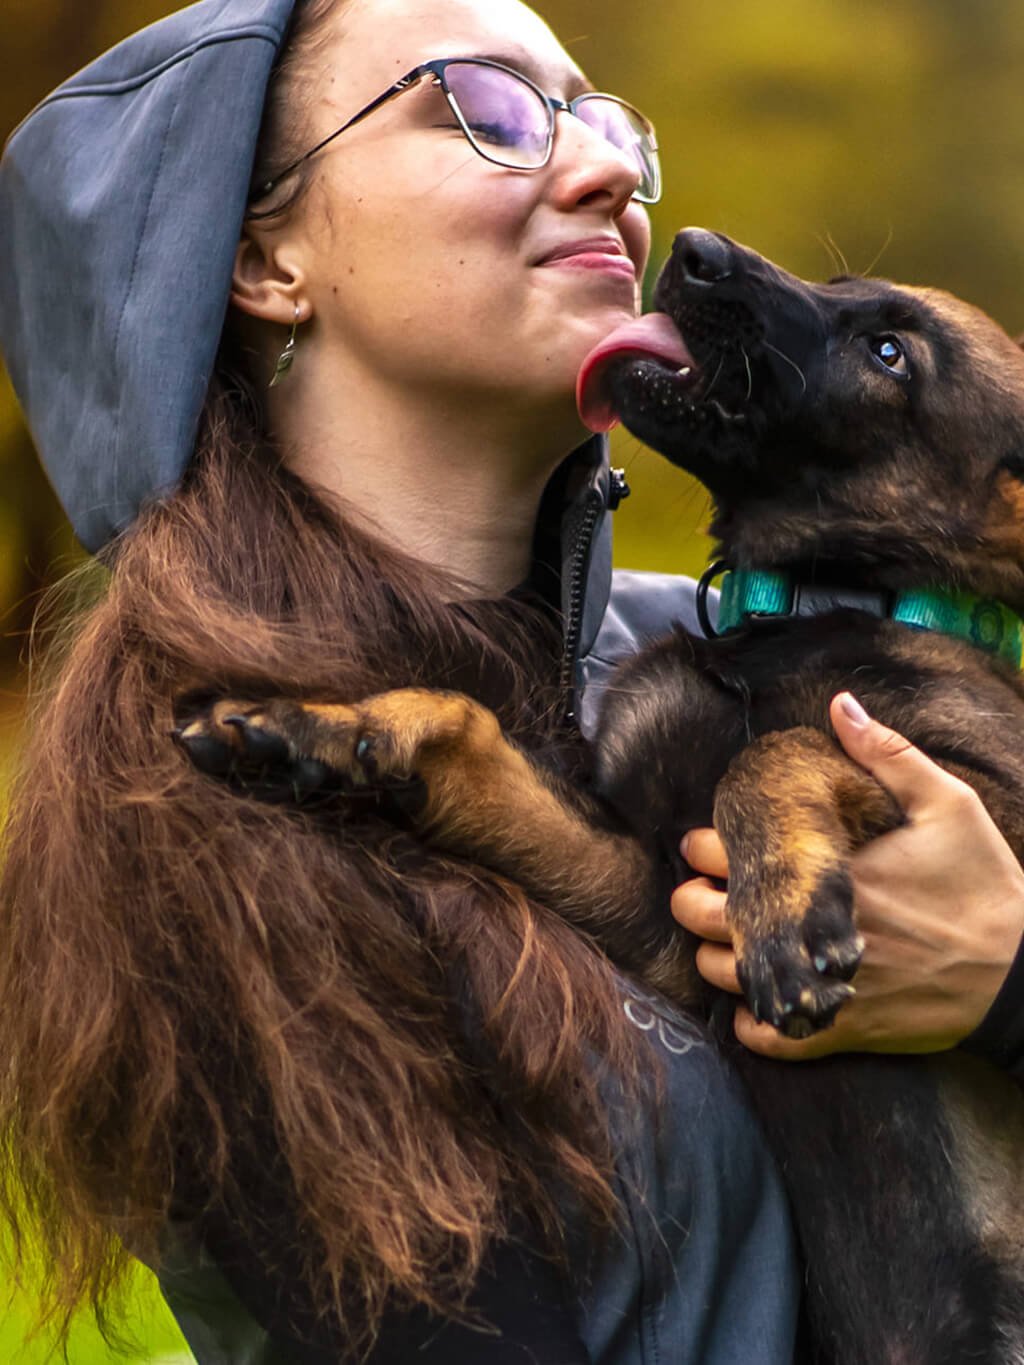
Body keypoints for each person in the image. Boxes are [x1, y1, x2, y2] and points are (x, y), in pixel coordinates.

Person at [0, 3, 1020, 1365]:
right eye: (484, 106)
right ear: (262, 261)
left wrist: (1005, 979)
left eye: (606, 120)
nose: (605, 170)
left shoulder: (708, 658)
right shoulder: (210, 806)